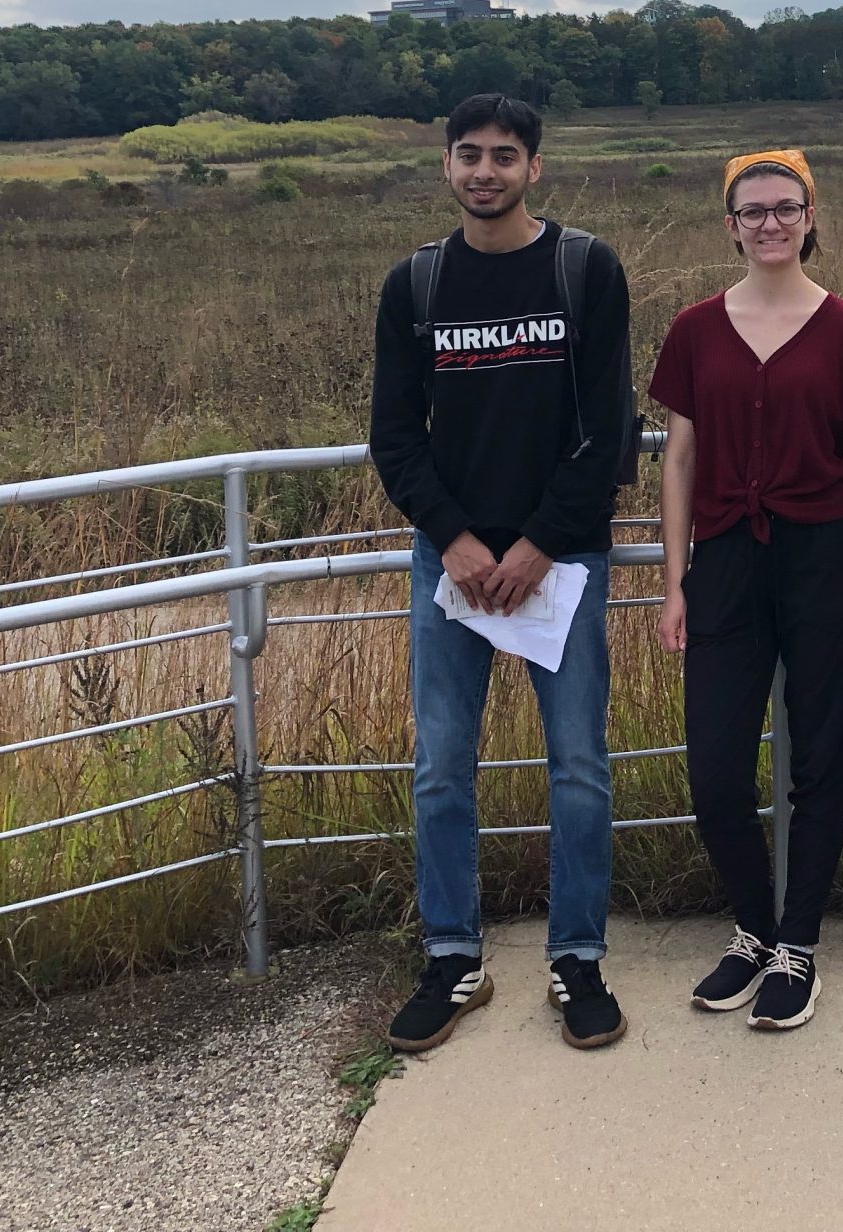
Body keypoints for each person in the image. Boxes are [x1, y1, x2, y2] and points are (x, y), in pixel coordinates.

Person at [369, 93, 637, 1053]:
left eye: (505, 156)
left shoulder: (584, 269)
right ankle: (452, 957)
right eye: (469, 155)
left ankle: (577, 959)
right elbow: (395, 440)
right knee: (442, 765)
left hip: (560, 563)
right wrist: (457, 540)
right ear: (446, 166)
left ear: (535, 168)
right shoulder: (416, 286)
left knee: (578, 767)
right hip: (451, 567)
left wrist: (535, 545)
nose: (486, 171)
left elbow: (610, 431)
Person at [651, 150, 843, 1031]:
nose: (769, 223)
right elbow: (677, 460)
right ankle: (751, 926)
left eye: (784, 208)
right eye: (751, 211)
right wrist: (674, 577)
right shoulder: (694, 330)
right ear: (730, 225)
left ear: (810, 216)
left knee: (822, 758)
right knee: (715, 769)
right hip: (722, 559)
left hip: (824, 557)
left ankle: (799, 943)